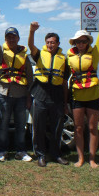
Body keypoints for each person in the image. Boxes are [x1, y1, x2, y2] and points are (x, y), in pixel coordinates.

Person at [0, 10, 33, 162]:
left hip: (21, 95)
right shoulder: (1, 54)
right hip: (5, 94)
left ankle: (21, 151)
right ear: (5, 39)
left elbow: (29, 77)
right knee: (4, 125)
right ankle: (2, 152)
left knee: (21, 125)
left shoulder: (24, 56)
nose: (11, 39)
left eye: (14, 37)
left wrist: (29, 97)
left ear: (18, 38)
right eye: (8, 37)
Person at [67, 5, 99, 168]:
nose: (81, 43)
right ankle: (80, 158)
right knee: (78, 128)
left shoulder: (94, 54)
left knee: (92, 128)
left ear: (87, 42)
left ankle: (92, 158)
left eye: (83, 41)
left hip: (93, 97)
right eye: (78, 41)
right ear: (74, 43)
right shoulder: (69, 56)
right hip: (77, 97)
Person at [28, 22, 70, 167]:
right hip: (41, 94)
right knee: (39, 127)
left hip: (56, 96)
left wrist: (65, 103)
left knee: (57, 128)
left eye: (53, 42)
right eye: (48, 42)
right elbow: (31, 45)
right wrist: (32, 31)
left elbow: (64, 83)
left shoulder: (64, 59)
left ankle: (56, 154)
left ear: (58, 43)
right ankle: (40, 155)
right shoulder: (39, 54)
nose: (50, 45)